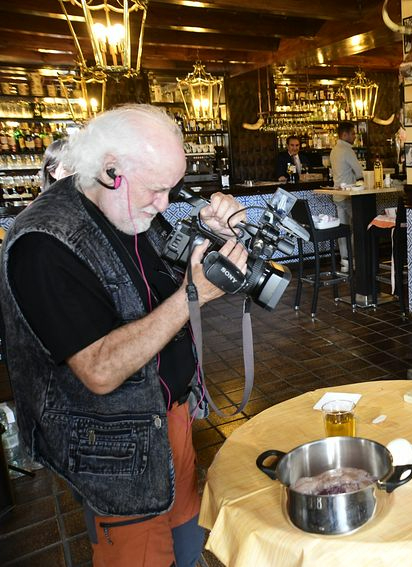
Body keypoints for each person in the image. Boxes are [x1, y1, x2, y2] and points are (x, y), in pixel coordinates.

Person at [0, 104, 248, 567]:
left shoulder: (128, 209)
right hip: (114, 448)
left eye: (171, 189)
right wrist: (192, 295)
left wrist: (211, 237)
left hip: (168, 416)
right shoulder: (43, 242)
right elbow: (98, 369)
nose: (163, 203)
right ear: (110, 170)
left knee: (188, 544)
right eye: (157, 189)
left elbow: (163, 276)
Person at [329, 121, 363, 271]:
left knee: (343, 229)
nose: (355, 136)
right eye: (353, 133)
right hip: (349, 195)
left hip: (337, 195)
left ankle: (345, 261)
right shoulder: (347, 150)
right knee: (357, 226)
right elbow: (360, 172)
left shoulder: (334, 150)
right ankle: (355, 259)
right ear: (345, 134)